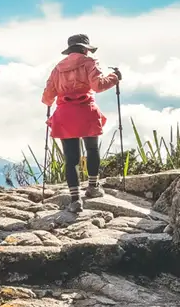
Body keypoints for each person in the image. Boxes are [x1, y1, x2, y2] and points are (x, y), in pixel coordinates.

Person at [41, 33, 121, 210]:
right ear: (85, 49)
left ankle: (75, 199)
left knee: (71, 158)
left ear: (69, 50)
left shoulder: (57, 69)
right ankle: (93, 187)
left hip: (65, 115)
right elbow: (98, 86)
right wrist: (114, 77)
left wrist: (49, 103)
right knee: (92, 149)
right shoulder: (89, 63)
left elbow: (48, 95)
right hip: (86, 112)